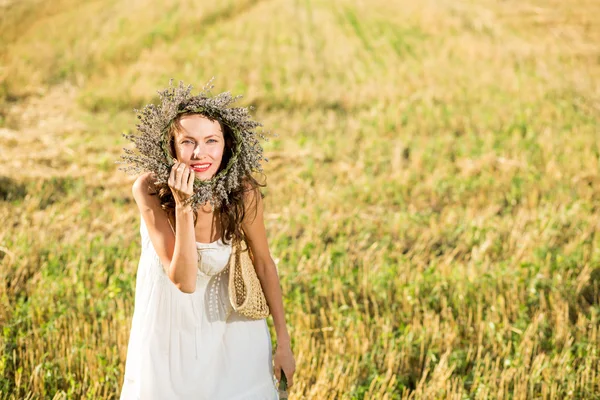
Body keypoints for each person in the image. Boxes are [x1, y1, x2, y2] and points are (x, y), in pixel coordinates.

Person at [118, 81, 296, 399]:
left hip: (233, 328)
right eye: (187, 142)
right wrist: (184, 204)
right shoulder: (148, 189)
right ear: (170, 146)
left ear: (226, 145)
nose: (200, 154)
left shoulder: (242, 191)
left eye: (211, 141)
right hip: (171, 334)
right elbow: (184, 280)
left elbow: (265, 264)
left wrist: (283, 341)